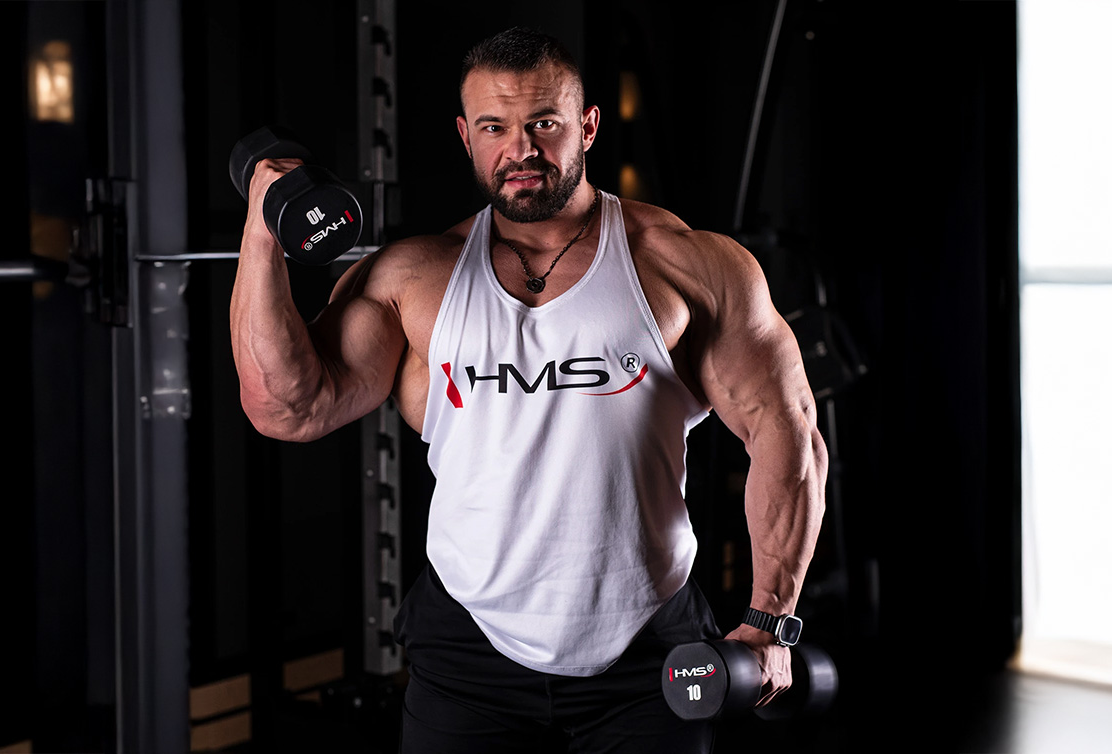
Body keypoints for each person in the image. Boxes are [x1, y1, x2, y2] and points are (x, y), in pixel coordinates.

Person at [230, 26, 828, 754]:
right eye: (494, 128)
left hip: (648, 645)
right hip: (467, 650)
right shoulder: (415, 277)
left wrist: (770, 621)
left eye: (544, 123)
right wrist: (263, 230)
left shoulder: (688, 265)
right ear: (466, 136)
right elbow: (288, 408)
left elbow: (787, 433)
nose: (521, 150)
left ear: (587, 126)